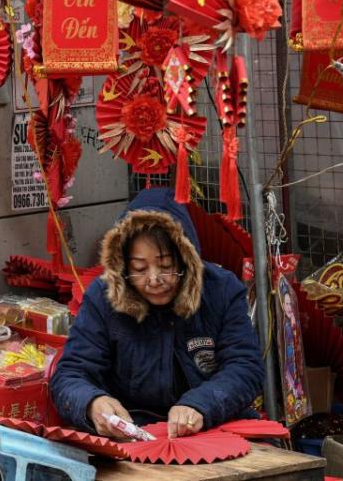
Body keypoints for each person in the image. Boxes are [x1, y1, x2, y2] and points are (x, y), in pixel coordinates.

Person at [50, 188, 265, 439]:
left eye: (165, 266)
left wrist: (199, 404)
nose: (154, 280)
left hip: (214, 421)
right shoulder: (103, 296)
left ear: (185, 259)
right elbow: (70, 374)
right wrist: (92, 403)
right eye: (139, 268)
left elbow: (245, 367)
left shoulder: (221, 289)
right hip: (135, 429)